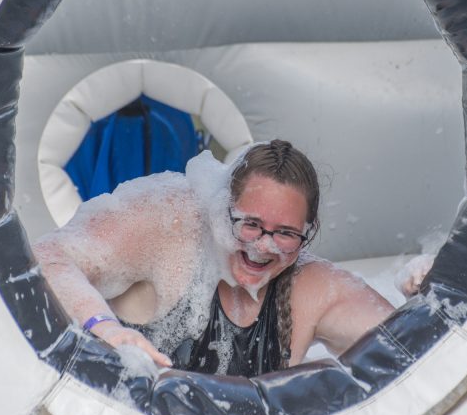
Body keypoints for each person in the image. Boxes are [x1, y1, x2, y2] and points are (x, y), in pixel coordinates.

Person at [35, 139, 394, 377]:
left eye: (285, 233)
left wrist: (422, 286)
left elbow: (410, 351)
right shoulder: (166, 223)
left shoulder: (313, 287)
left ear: (307, 231)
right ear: (223, 208)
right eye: (250, 224)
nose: (264, 246)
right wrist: (105, 328)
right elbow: (48, 256)